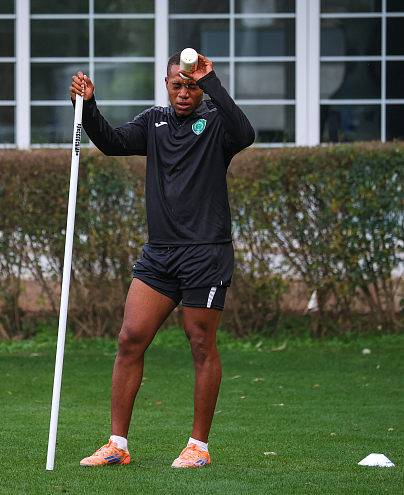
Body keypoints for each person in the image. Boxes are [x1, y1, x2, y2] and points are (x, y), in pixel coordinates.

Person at [69, 51, 255, 468]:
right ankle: (117, 445)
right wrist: (88, 105)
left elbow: (245, 134)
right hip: (160, 253)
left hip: (206, 253)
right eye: (177, 85)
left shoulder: (216, 122)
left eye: (191, 86)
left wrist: (211, 81)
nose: (184, 93)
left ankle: (198, 447)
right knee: (130, 338)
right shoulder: (153, 122)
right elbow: (112, 142)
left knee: (200, 342)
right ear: (166, 85)